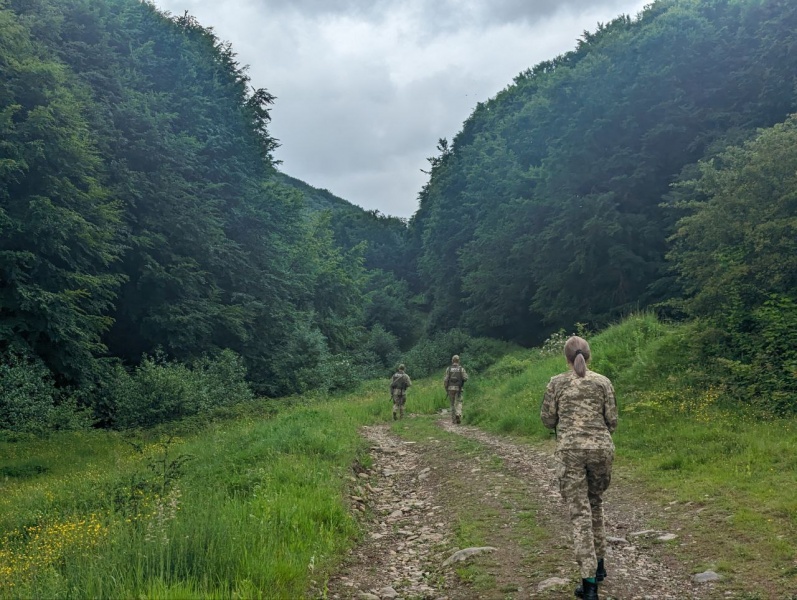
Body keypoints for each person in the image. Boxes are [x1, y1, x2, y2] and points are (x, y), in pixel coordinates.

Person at [540, 336, 617, 600]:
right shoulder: (603, 382)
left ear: (567, 358)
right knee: (595, 504)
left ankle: (589, 585)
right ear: (588, 355)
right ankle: (600, 565)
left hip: (570, 451)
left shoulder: (557, 383)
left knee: (579, 513)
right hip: (601, 450)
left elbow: (548, 420)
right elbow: (613, 420)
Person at [444, 355, 468, 424]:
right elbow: (465, 378)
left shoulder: (448, 369)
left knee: (452, 404)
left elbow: (446, 379)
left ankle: (454, 420)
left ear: (452, 360)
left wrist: (446, 388)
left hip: (450, 388)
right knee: (459, 401)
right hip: (459, 388)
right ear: (459, 361)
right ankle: (458, 414)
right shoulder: (461, 369)